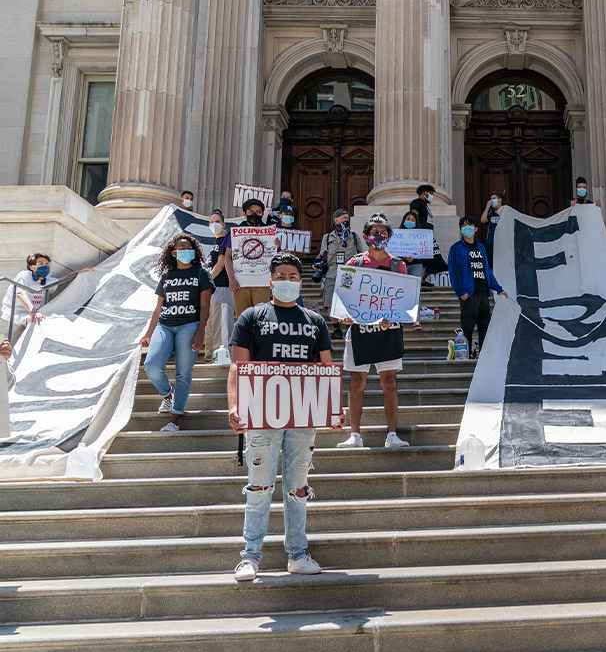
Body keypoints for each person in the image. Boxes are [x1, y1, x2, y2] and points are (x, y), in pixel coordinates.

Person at [228, 253, 334, 582]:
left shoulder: (315, 321)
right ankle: (250, 555)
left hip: (302, 414)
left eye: (293, 275)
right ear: (270, 280)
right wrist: (234, 404)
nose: (287, 280)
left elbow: (325, 368)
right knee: (259, 486)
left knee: (298, 488)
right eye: (281, 275)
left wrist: (330, 405)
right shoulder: (251, 317)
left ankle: (298, 553)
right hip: (261, 413)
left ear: (300, 282)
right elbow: (238, 367)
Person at [336, 216, 412, 450]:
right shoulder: (355, 263)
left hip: (388, 330)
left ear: (389, 236)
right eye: (374, 231)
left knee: (389, 382)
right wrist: (343, 314)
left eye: (383, 232)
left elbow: (405, 299)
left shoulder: (398, 265)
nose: (378, 236)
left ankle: (392, 435)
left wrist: (396, 315)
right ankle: (355, 435)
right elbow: (342, 296)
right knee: (357, 382)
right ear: (367, 235)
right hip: (359, 330)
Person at [140, 234, 212, 433]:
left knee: (183, 373)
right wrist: (148, 333)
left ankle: (176, 418)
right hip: (165, 325)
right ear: (173, 253)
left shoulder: (201, 274)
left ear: (194, 251)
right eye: (180, 248)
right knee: (151, 365)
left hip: (189, 325)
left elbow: (205, 306)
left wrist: (200, 333)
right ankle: (167, 395)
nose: (184, 250)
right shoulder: (166, 276)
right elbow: (157, 309)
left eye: (187, 247)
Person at [448, 216, 507, 358]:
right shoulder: (456, 248)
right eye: (463, 226)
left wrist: (498, 288)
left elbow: (487, 270)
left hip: (483, 293)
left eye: (469, 225)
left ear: (475, 229)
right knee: (467, 327)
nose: (466, 228)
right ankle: (465, 355)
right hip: (469, 294)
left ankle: (484, 355)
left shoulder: (481, 247)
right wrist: (460, 291)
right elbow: (453, 272)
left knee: (484, 327)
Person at [225, 198, 273, 316]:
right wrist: (231, 279)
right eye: (251, 211)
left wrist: (277, 245)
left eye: (258, 211)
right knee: (243, 318)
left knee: (262, 318)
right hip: (240, 283)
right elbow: (227, 257)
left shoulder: (270, 232)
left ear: (262, 213)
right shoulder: (235, 232)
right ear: (244, 213)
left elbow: (274, 257)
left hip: (262, 283)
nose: (254, 214)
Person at [315, 208, 367, 317]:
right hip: (332, 273)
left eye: (347, 219)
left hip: (350, 273)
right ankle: (336, 327)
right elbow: (322, 254)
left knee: (349, 301)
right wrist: (318, 263)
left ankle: (348, 323)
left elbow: (362, 255)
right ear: (336, 220)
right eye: (344, 218)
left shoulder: (354, 236)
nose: (346, 220)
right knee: (329, 302)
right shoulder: (328, 237)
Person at [204, 210, 236, 363]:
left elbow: (221, 263)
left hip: (223, 287)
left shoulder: (226, 240)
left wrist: (206, 279)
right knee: (213, 323)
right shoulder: (215, 244)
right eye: (211, 222)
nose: (214, 224)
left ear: (223, 224)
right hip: (215, 289)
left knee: (222, 323)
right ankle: (211, 354)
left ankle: (220, 355)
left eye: (217, 221)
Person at [13, 253, 55, 326]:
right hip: (20, 313)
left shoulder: (49, 280)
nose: (45, 266)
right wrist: (33, 311)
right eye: (41, 263)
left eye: (47, 264)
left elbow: (68, 277)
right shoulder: (24, 276)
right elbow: (20, 293)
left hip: (38, 313)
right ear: (32, 267)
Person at [480, 193, 504, 258]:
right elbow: (483, 220)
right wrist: (487, 207)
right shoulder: (491, 212)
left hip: (502, 242)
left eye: (494, 198)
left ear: (500, 200)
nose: (491, 201)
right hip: (490, 242)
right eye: (490, 199)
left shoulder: (505, 210)